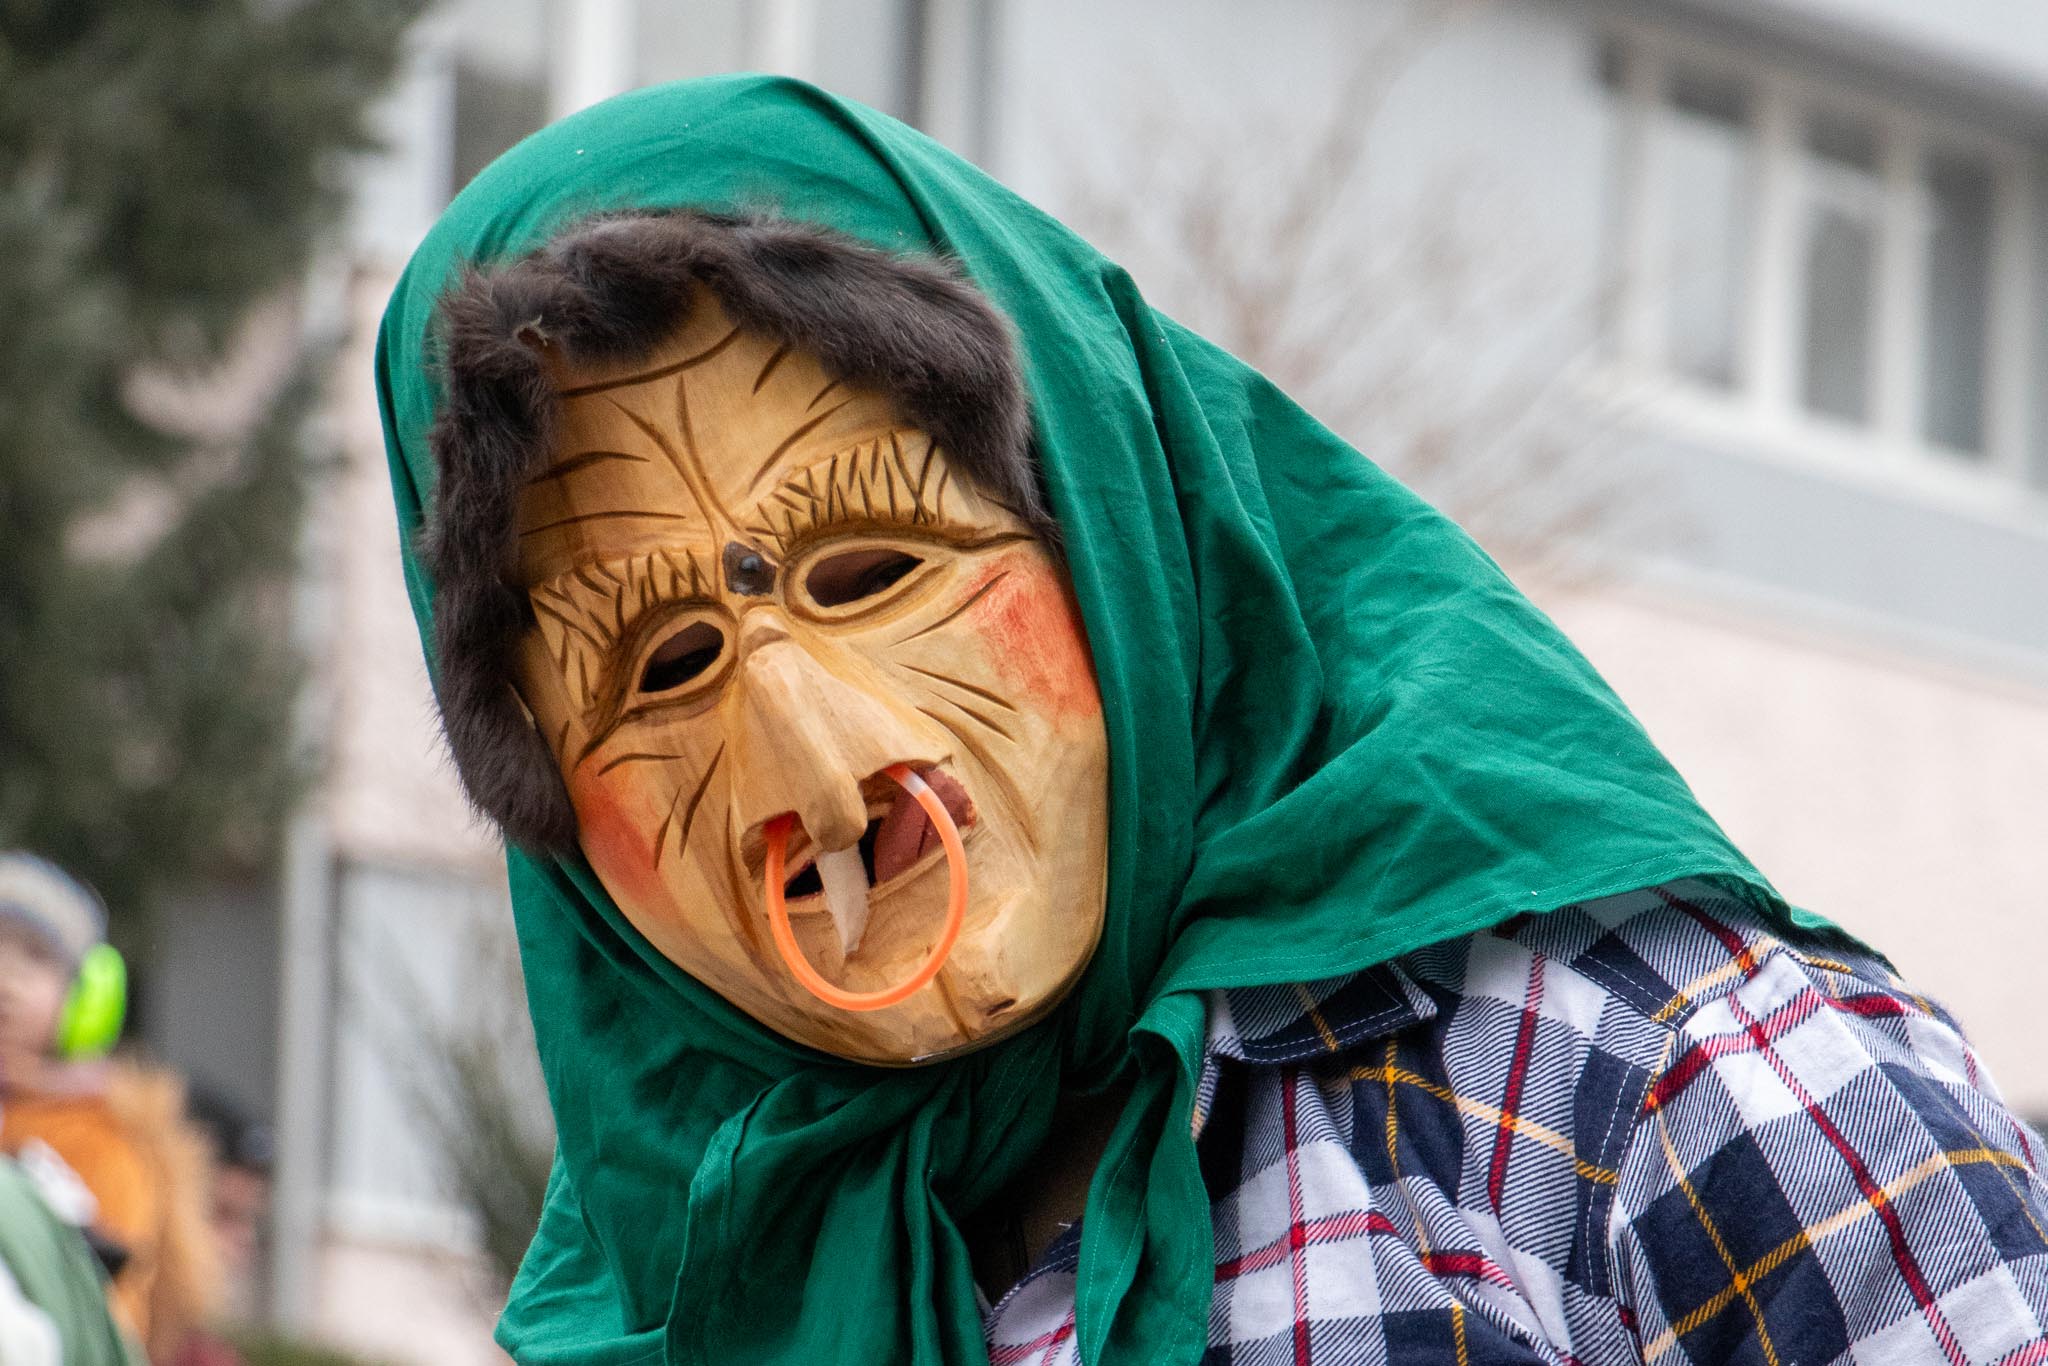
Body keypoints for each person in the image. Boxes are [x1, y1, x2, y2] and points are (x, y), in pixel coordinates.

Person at [377, 77, 2048, 1365]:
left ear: (1114, 549)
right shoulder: (672, 1298)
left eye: (872, 569)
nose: (822, 772)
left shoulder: (1642, 1086)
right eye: (665, 669)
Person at [0, 854, 219, 1361]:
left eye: (35, 957)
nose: (6, 980)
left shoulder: (101, 1141)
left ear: (89, 997)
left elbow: (101, 1323)